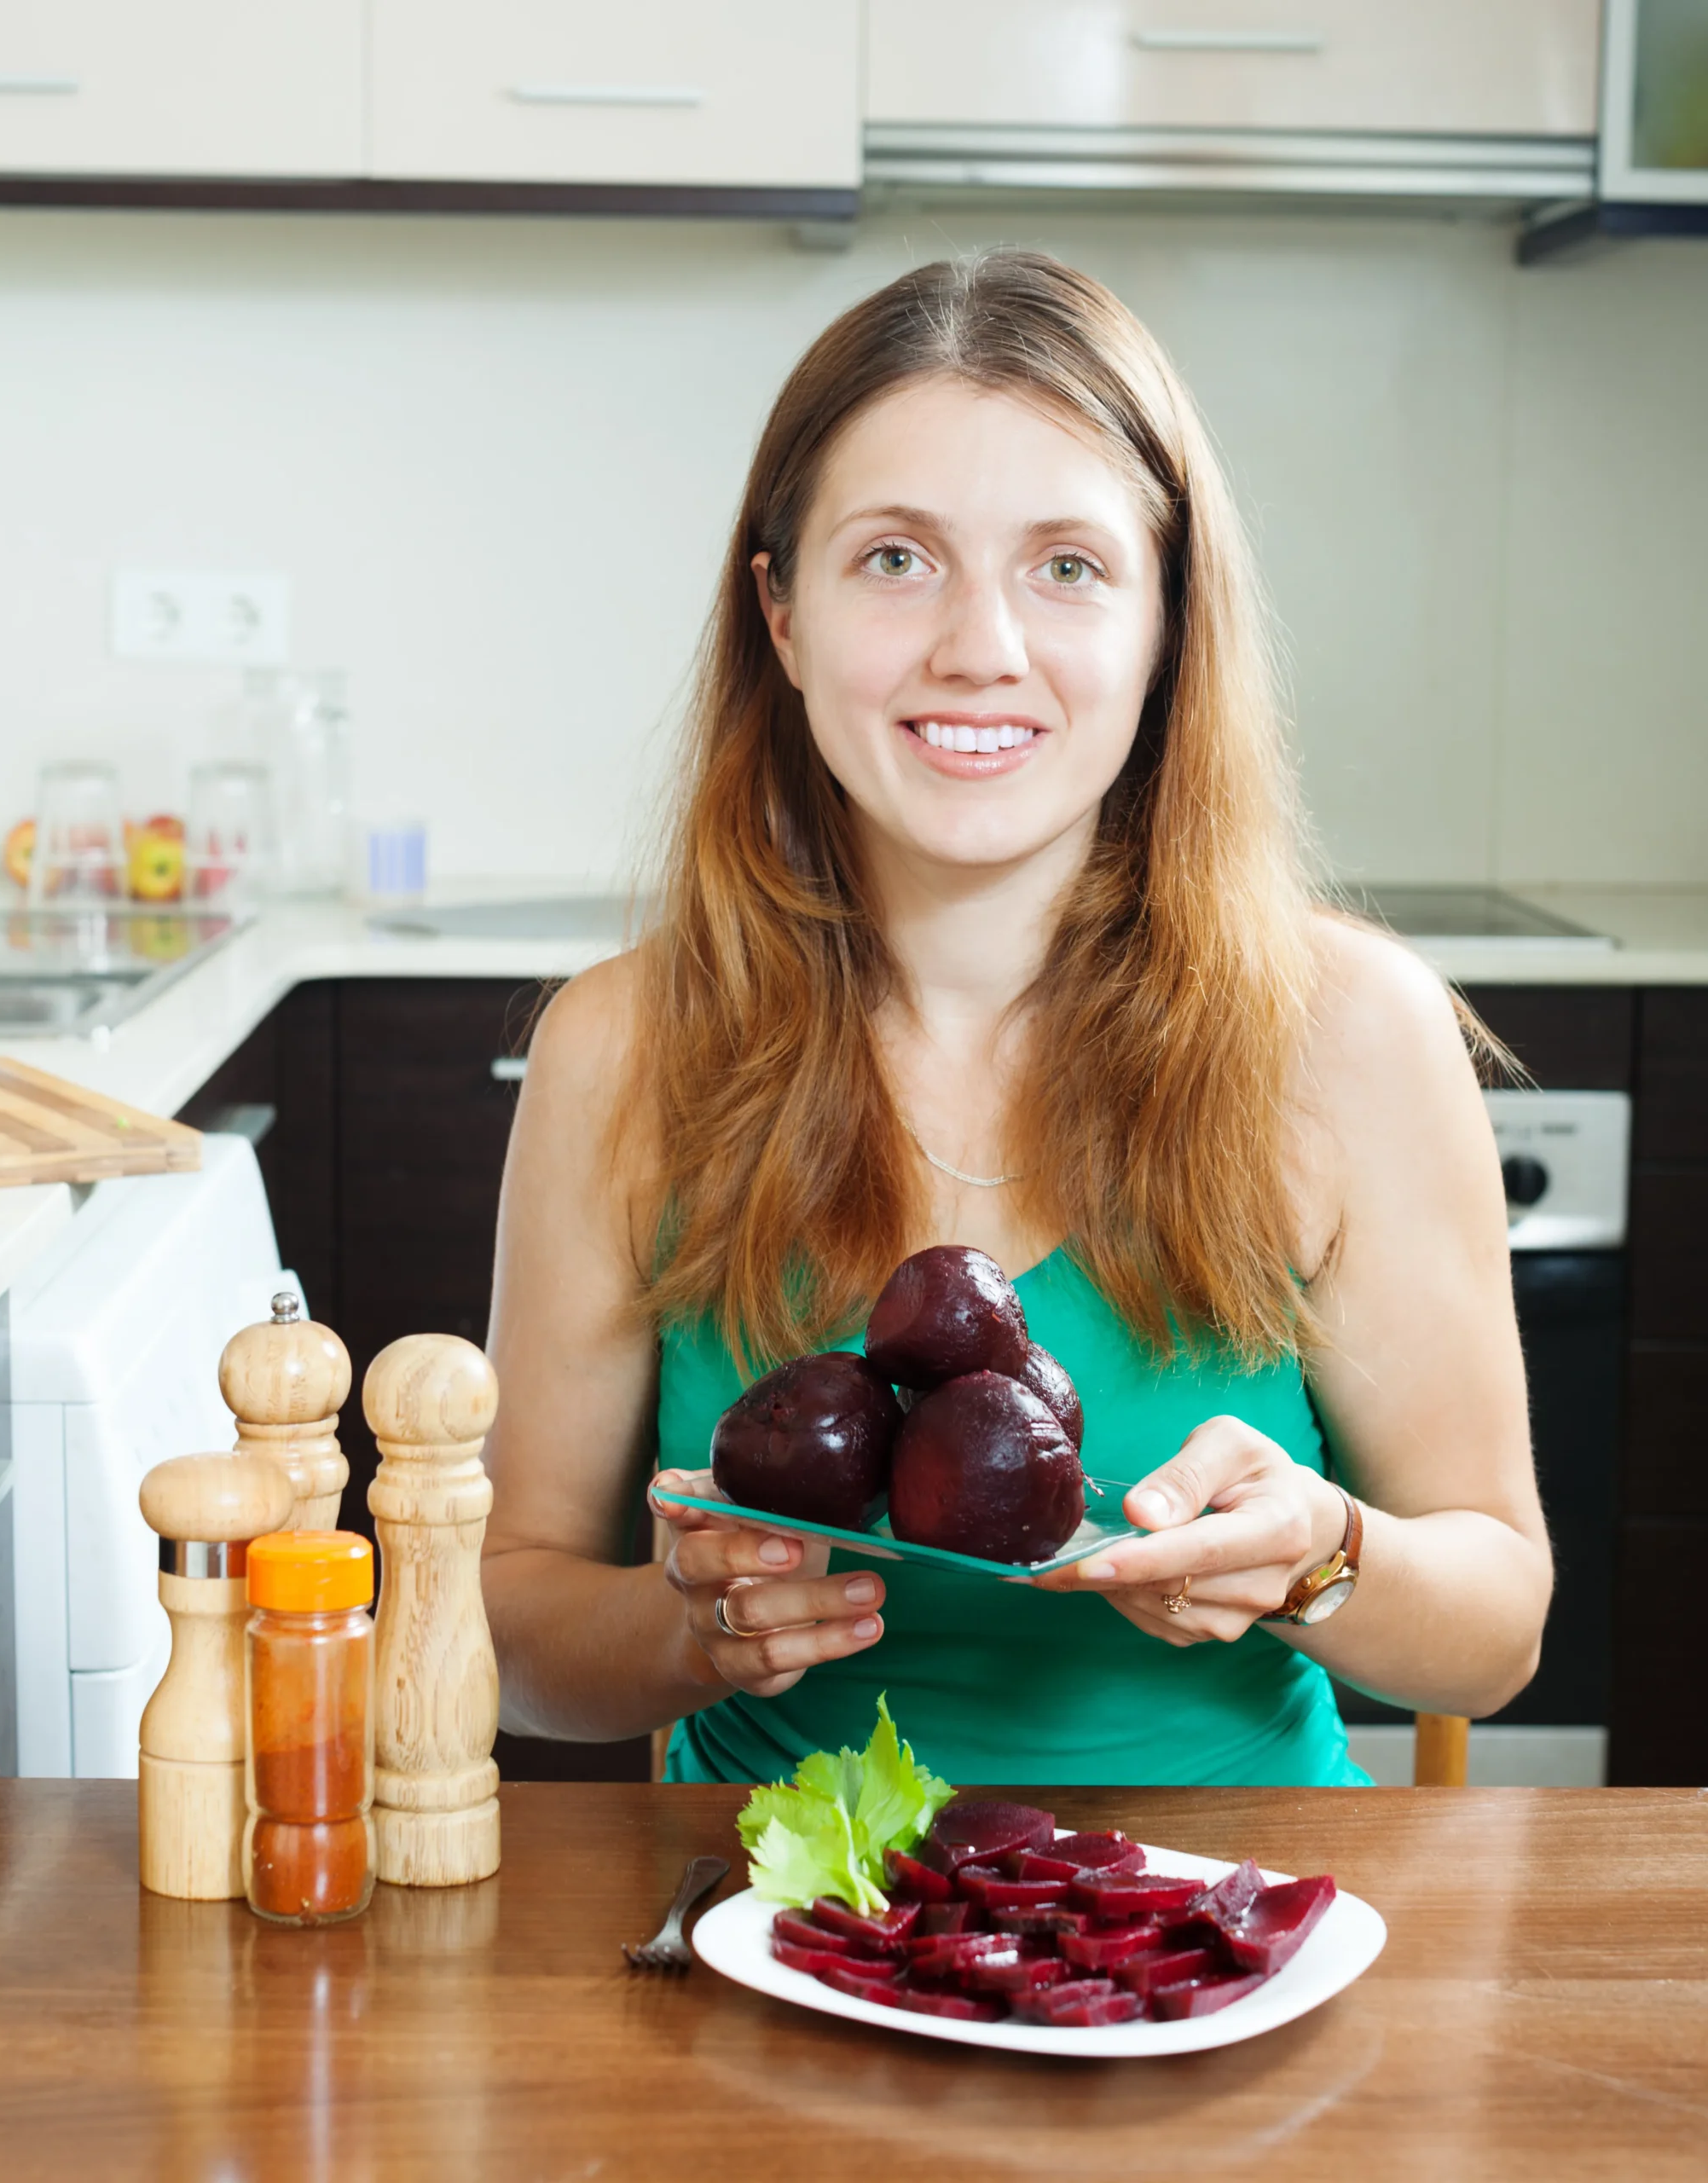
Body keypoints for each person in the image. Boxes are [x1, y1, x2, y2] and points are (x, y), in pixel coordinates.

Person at [480, 250, 1550, 1786]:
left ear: (1169, 622)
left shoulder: (1353, 1034)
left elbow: (1496, 1627)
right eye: (896, 558)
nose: (981, 645)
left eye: (1068, 565)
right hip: (762, 1928)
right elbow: (512, 1629)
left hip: (1221, 1941)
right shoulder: (622, 1053)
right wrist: (687, 1633)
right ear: (779, 613)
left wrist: (1323, 1561)